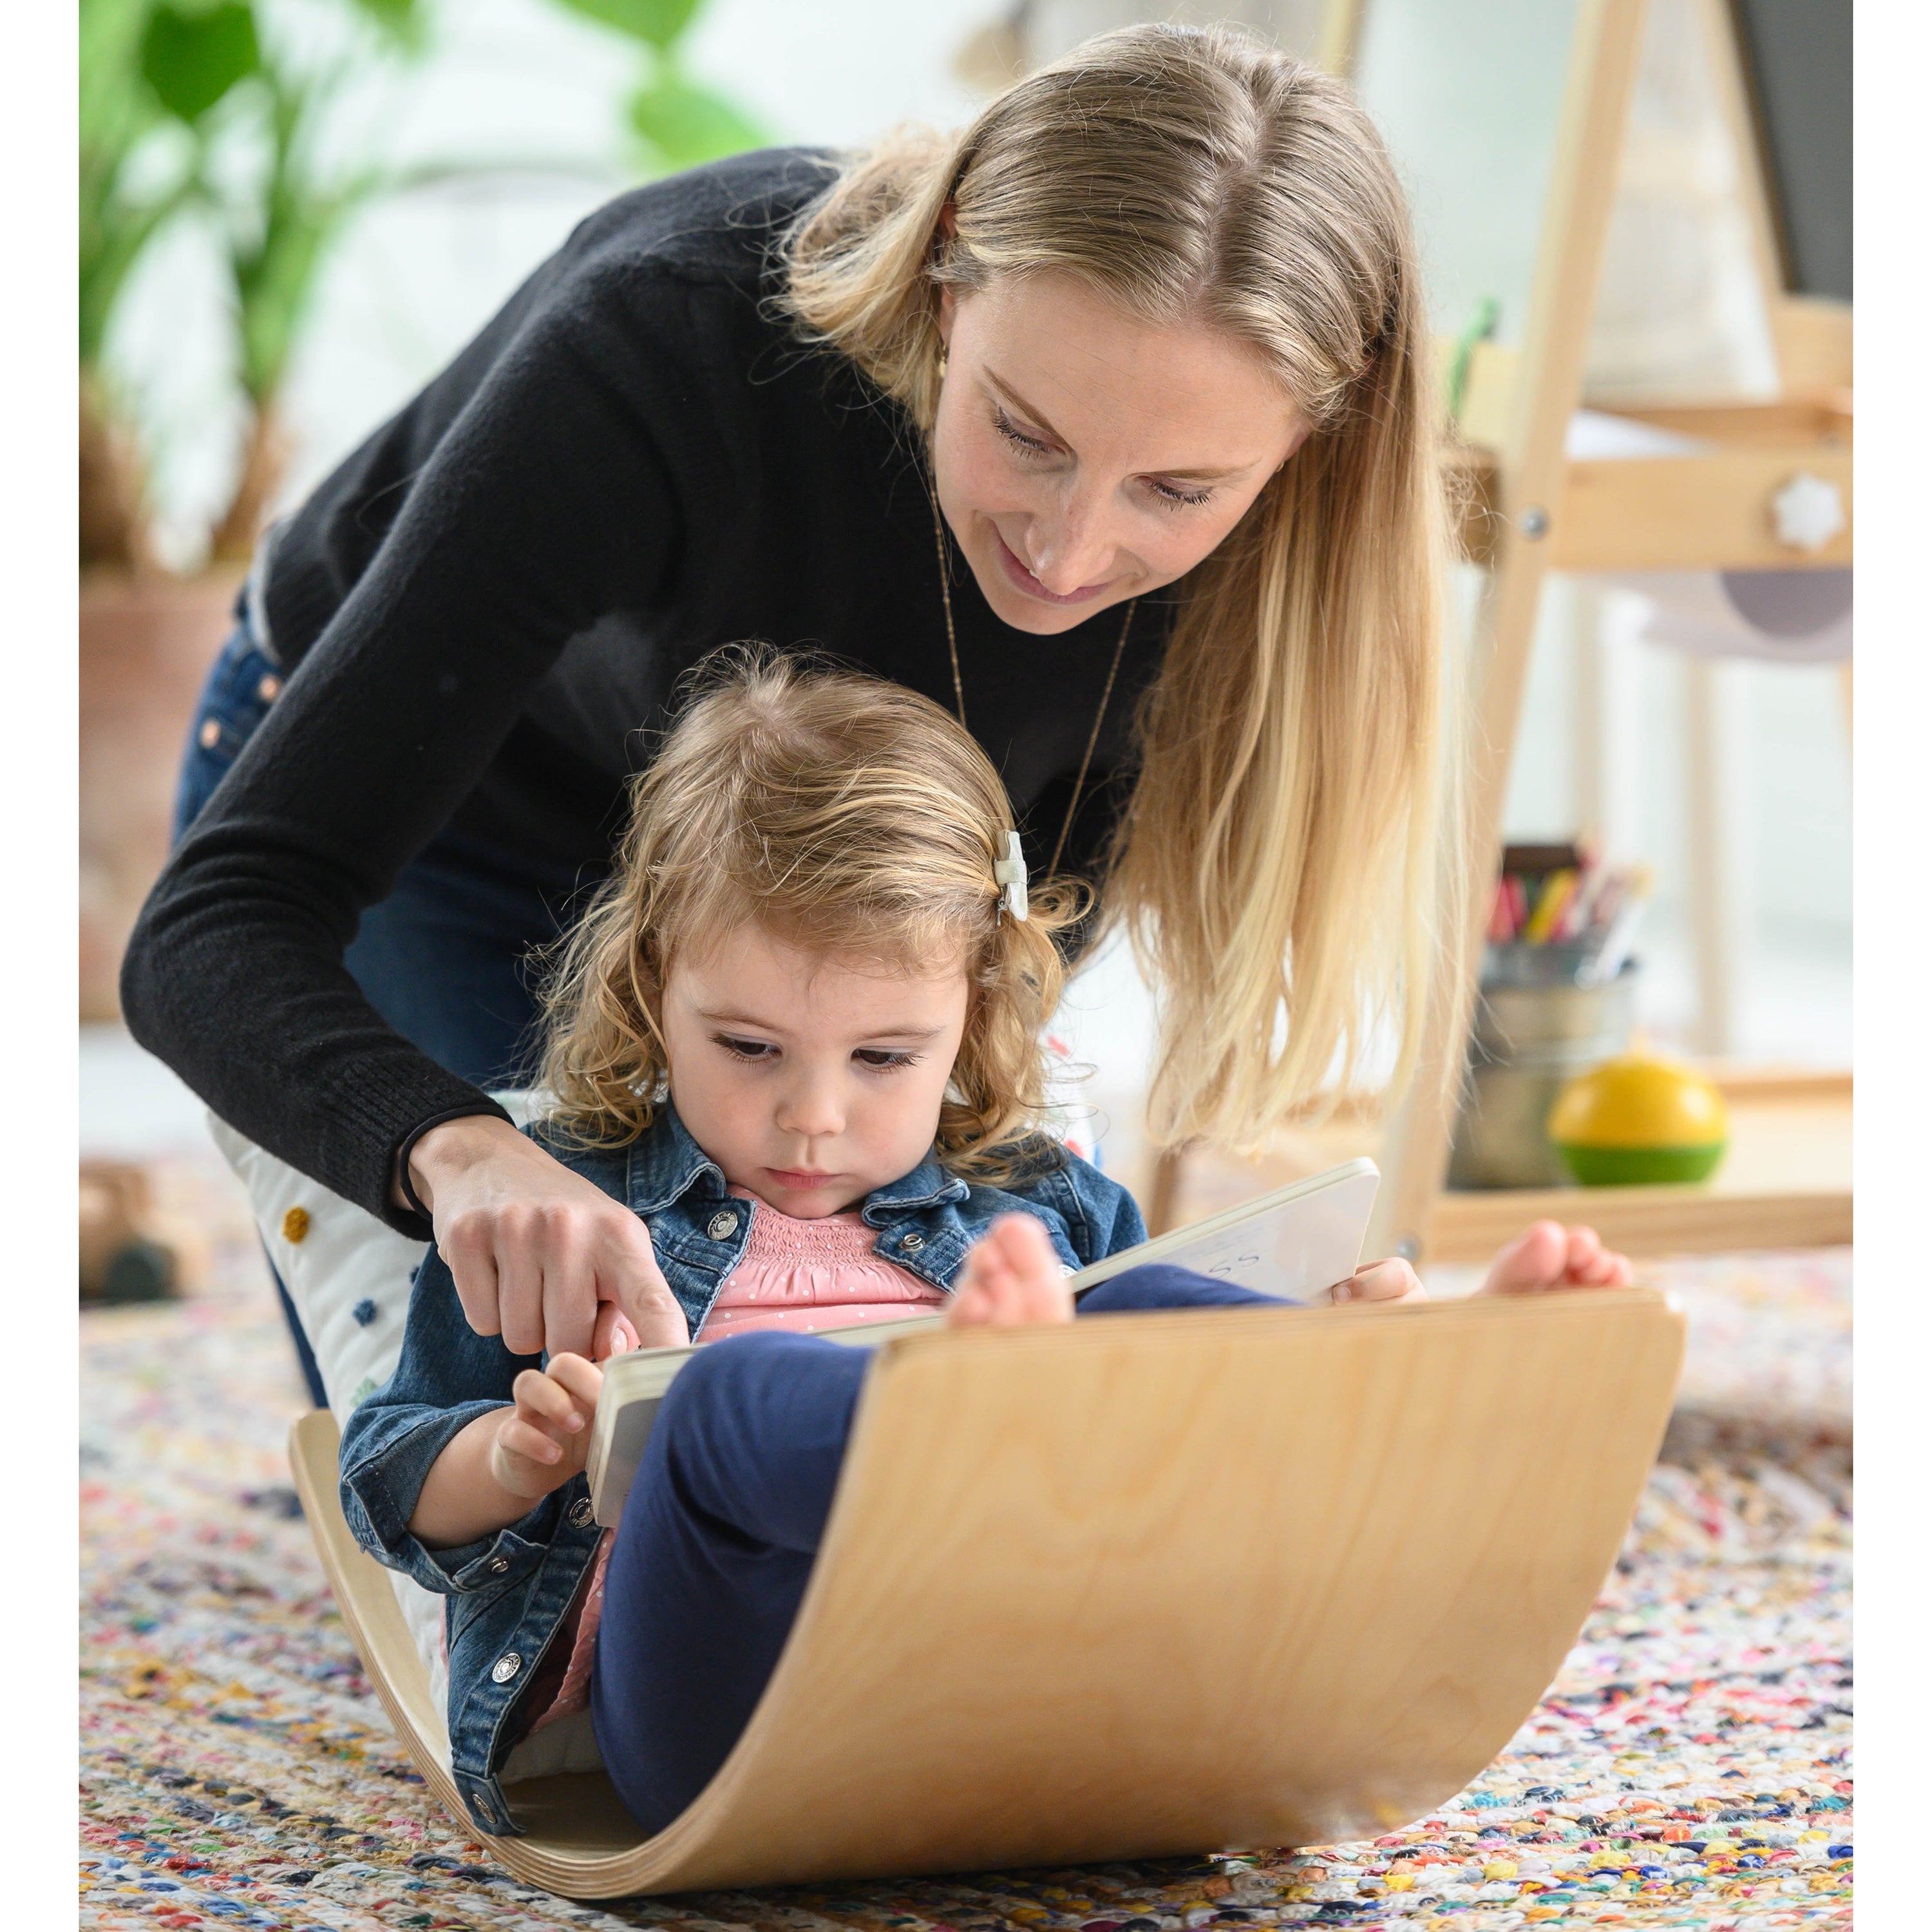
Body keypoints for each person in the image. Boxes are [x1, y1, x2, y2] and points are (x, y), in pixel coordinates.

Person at [126, 23, 1463, 1398]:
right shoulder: (665, 334)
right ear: (949, 274)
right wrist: (461, 1154)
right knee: (533, 1408)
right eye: (1025, 433)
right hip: (451, 825)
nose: (1066, 558)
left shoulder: (1283, 552)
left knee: (953, 1360)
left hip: (824, 934)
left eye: (1175, 493)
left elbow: (983, 1045)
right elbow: (209, 932)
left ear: (1314, 436)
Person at [337, 654, 1631, 1838]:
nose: (815, 1112)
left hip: (1021, 1676)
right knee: (718, 1408)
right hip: (720, 1728)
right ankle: (953, 1412)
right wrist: (511, 1456)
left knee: (1152, 1303)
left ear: (974, 1015)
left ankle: (1380, 1380)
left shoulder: (1033, 1208)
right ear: (652, 978)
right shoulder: (565, 1207)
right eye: (749, 1048)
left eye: (885, 1057)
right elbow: (385, 1483)